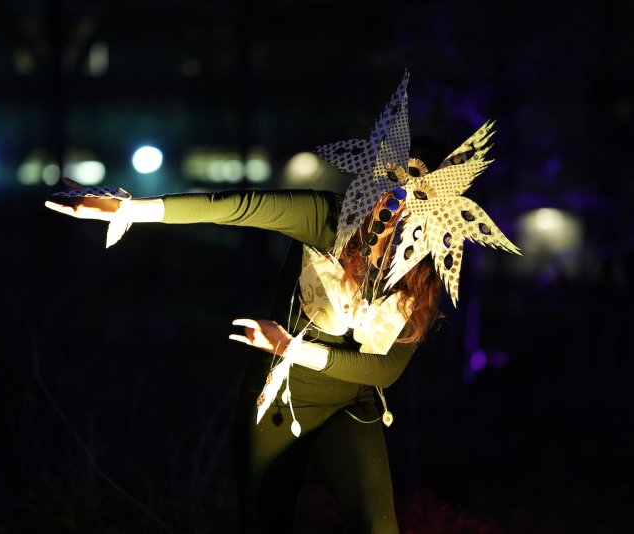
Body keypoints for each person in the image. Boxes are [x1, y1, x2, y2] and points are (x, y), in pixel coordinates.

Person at [44, 72, 520, 533]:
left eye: (413, 199)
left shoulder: (420, 281)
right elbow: (239, 205)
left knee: (379, 527)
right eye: (390, 186)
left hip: (349, 405)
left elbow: (384, 371)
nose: (393, 207)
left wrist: (294, 346)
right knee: (266, 523)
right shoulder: (329, 220)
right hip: (279, 400)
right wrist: (134, 209)